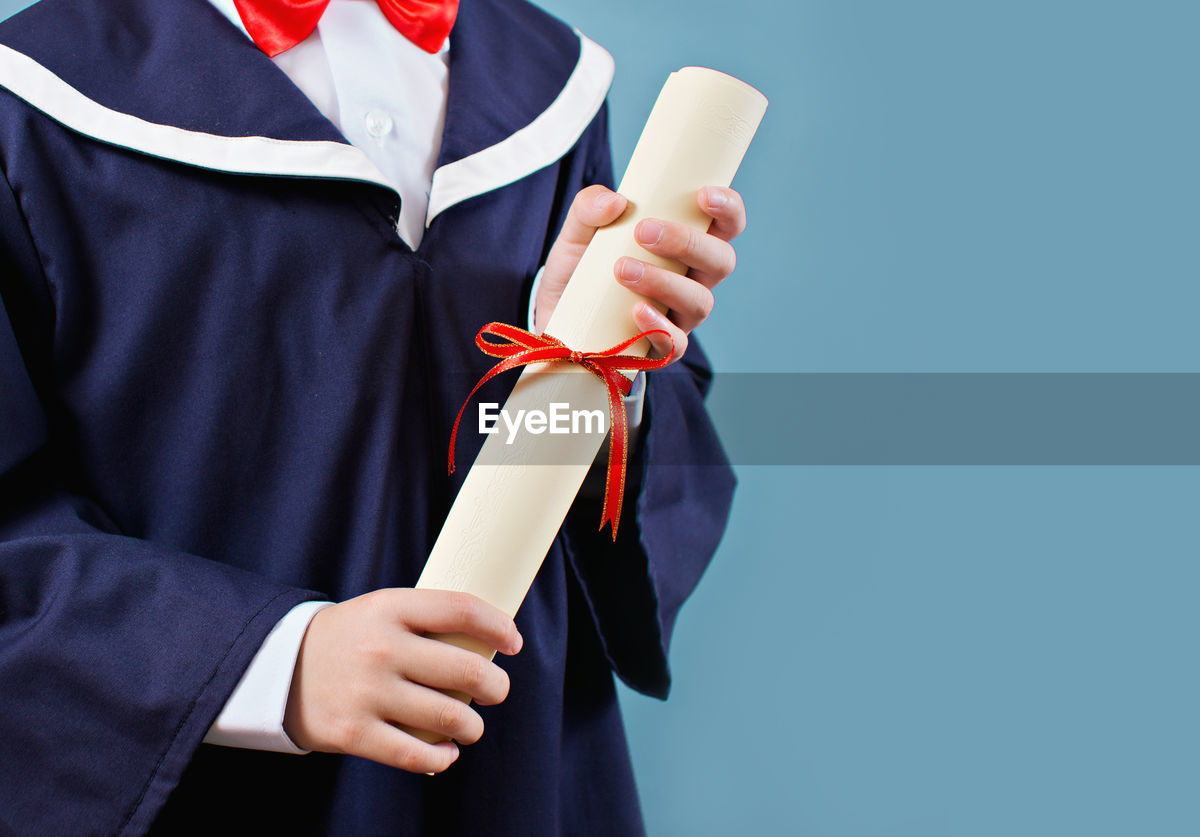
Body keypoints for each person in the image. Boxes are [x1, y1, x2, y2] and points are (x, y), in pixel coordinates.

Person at [0, 0, 744, 833]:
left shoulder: (551, 84)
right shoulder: (29, 99)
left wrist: (587, 360)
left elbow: (601, 477)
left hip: (518, 757)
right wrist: (271, 660)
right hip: (214, 779)